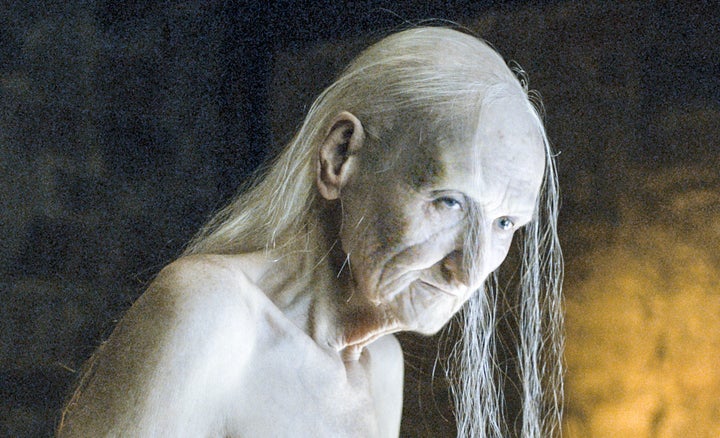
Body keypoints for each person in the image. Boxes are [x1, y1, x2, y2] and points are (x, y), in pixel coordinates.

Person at [57, 26, 563, 437]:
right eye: (448, 201)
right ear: (340, 157)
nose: (469, 271)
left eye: (504, 224)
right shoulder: (210, 313)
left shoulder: (380, 366)